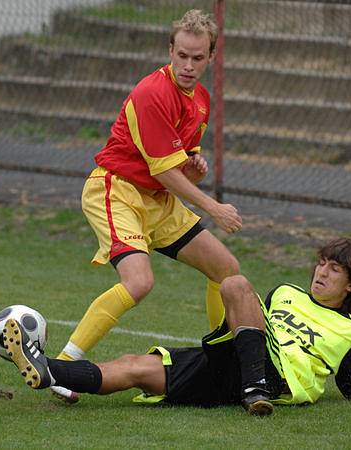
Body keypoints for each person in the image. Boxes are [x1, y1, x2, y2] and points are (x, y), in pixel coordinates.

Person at [51, 9, 242, 402]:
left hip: (158, 200)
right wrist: (214, 207)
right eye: (182, 55)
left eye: (197, 58)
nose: (188, 65)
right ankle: (62, 367)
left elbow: (180, 170)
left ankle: (224, 357)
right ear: (170, 50)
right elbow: (167, 172)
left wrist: (196, 168)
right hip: (117, 190)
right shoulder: (152, 93)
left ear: (212, 57)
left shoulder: (201, 100)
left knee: (225, 270)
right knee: (139, 283)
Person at [3, 238, 351, 416]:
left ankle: (256, 390)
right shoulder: (286, 292)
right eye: (321, 263)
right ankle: (47, 371)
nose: (322, 272)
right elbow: (247, 316)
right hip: (236, 362)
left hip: (280, 377)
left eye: (334, 269)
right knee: (135, 367)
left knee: (232, 281)